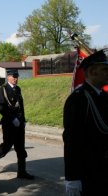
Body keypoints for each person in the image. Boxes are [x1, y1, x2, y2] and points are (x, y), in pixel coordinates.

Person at [63, 49, 108, 195]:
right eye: (105, 69)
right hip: (88, 172)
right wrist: (72, 178)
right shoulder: (79, 98)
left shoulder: (104, 96)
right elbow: (72, 140)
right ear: (93, 71)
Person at [0, 69, 34, 180]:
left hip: (19, 124)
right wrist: (12, 118)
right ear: (8, 77)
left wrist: (22, 120)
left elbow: (21, 106)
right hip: (9, 124)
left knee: (20, 148)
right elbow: (1, 106)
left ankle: (22, 171)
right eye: (13, 76)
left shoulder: (18, 89)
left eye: (17, 76)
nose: (15, 79)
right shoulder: (3, 89)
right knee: (7, 146)